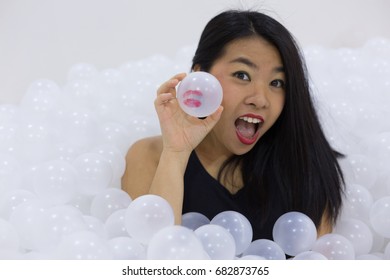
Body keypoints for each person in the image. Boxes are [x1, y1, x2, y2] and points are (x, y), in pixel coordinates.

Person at [121, 10, 345, 241]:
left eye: (277, 83)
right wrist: (176, 153)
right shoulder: (150, 156)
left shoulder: (306, 167)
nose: (260, 99)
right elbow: (151, 258)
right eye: (242, 75)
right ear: (200, 75)